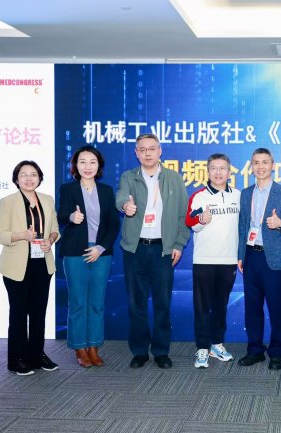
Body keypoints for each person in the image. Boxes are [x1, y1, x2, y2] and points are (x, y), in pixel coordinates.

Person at [115, 133, 190, 369]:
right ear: (136, 153)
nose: (147, 153)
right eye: (142, 149)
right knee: (136, 303)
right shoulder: (129, 177)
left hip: (162, 250)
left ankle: (160, 351)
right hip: (135, 249)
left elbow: (183, 214)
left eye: (152, 148)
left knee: (162, 303)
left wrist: (178, 244)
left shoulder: (174, 178)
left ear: (160, 151)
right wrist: (125, 206)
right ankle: (139, 351)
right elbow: (121, 197)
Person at [0, 161, 60, 375]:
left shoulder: (47, 200)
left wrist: (50, 240)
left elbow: (55, 229)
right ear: (16, 179)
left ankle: (37, 355)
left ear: (39, 178)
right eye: (24, 174)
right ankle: (17, 359)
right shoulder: (7, 202)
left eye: (33, 174)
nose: (29, 178)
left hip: (42, 263)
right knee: (19, 314)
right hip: (16, 266)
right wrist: (22, 235)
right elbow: (0, 234)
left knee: (39, 313)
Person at [57, 146, 120, 368]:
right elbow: (60, 216)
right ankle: (79, 347)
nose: (87, 166)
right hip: (75, 252)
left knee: (96, 303)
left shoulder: (106, 191)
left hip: (101, 253)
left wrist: (101, 247)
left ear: (98, 165)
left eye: (92, 162)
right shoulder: (68, 189)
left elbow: (114, 224)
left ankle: (94, 346)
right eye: (82, 161)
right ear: (75, 165)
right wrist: (70, 217)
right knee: (78, 302)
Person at [237, 148, 281, 370]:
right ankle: (255, 350)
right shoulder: (246, 193)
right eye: (256, 163)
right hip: (251, 256)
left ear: (273, 165)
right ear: (251, 166)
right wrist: (240, 255)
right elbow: (243, 227)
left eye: (265, 162)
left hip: (275, 259)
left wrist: (280, 223)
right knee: (252, 307)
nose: (260, 167)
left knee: (277, 308)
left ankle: (276, 352)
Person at [185, 153, 240, 368]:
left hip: (228, 260)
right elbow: (190, 222)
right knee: (202, 307)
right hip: (204, 260)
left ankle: (217, 344)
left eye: (222, 168)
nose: (218, 172)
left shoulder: (238, 196)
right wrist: (201, 219)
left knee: (221, 305)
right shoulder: (200, 197)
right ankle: (202, 348)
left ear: (229, 171)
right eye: (214, 168)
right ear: (207, 171)